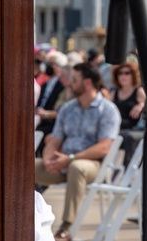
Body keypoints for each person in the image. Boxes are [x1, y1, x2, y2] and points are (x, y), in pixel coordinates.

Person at [35, 62, 121, 241]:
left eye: (74, 79)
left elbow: (104, 146)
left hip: (94, 164)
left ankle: (65, 228)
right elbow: (55, 139)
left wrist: (71, 158)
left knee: (77, 168)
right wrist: (49, 158)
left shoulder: (108, 110)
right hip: (63, 162)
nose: (69, 83)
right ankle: (18, 218)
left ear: (87, 82)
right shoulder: (68, 108)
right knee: (26, 167)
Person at [110, 61, 146, 164]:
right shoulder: (114, 93)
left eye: (127, 73)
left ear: (133, 75)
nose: (123, 76)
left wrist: (140, 105)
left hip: (134, 129)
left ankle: (128, 169)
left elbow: (146, 105)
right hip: (117, 128)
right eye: (120, 73)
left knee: (128, 138)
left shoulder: (139, 91)